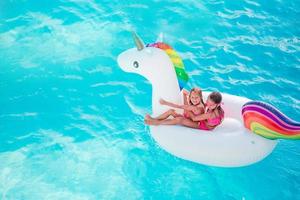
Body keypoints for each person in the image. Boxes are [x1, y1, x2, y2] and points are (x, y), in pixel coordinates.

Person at [145, 91, 224, 131]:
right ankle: (154, 119)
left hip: (201, 126)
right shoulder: (218, 108)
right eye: (208, 102)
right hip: (203, 120)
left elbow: (194, 119)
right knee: (171, 111)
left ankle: (157, 123)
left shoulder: (211, 114)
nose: (208, 106)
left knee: (180, 119)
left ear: (217, 104)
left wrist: (188, 110)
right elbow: (220, 119)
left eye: (211, 105)